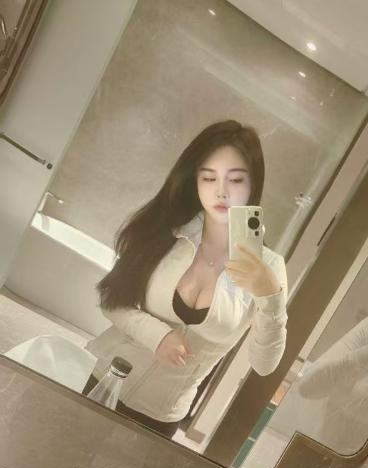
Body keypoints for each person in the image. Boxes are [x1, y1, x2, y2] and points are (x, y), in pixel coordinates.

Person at [83, 120, 287, 438]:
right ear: (195, 179)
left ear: (253, 185)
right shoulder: (167, 228)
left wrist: (270, 297)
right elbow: (111, 299)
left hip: (162, 414)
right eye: (209, 177)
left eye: (235, 179)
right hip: (103, 376)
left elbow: (264, 365)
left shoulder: (269, 266)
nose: (221, 191)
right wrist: (158, 336)